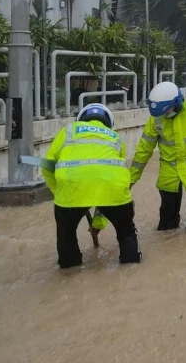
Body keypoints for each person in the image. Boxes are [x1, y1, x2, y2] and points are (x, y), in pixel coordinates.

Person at [42, 103, 141, 268]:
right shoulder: (116, 137)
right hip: (114, 189)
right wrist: (98, 225)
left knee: (66, 235)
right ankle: (131, 267)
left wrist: (60, 192)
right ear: (108, 122)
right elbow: (106, 188)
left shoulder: (68, 131)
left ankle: (69, 269)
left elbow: (47, 166)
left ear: (81, 119)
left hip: (70, 189)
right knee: (126, 234)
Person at [131, 81, 186, 231]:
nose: (165, 114)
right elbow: (144, 150)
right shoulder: (156, 118)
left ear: (177, 103)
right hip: (169, 172)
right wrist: (131, 178)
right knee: (167, 222)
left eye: (168, 110)